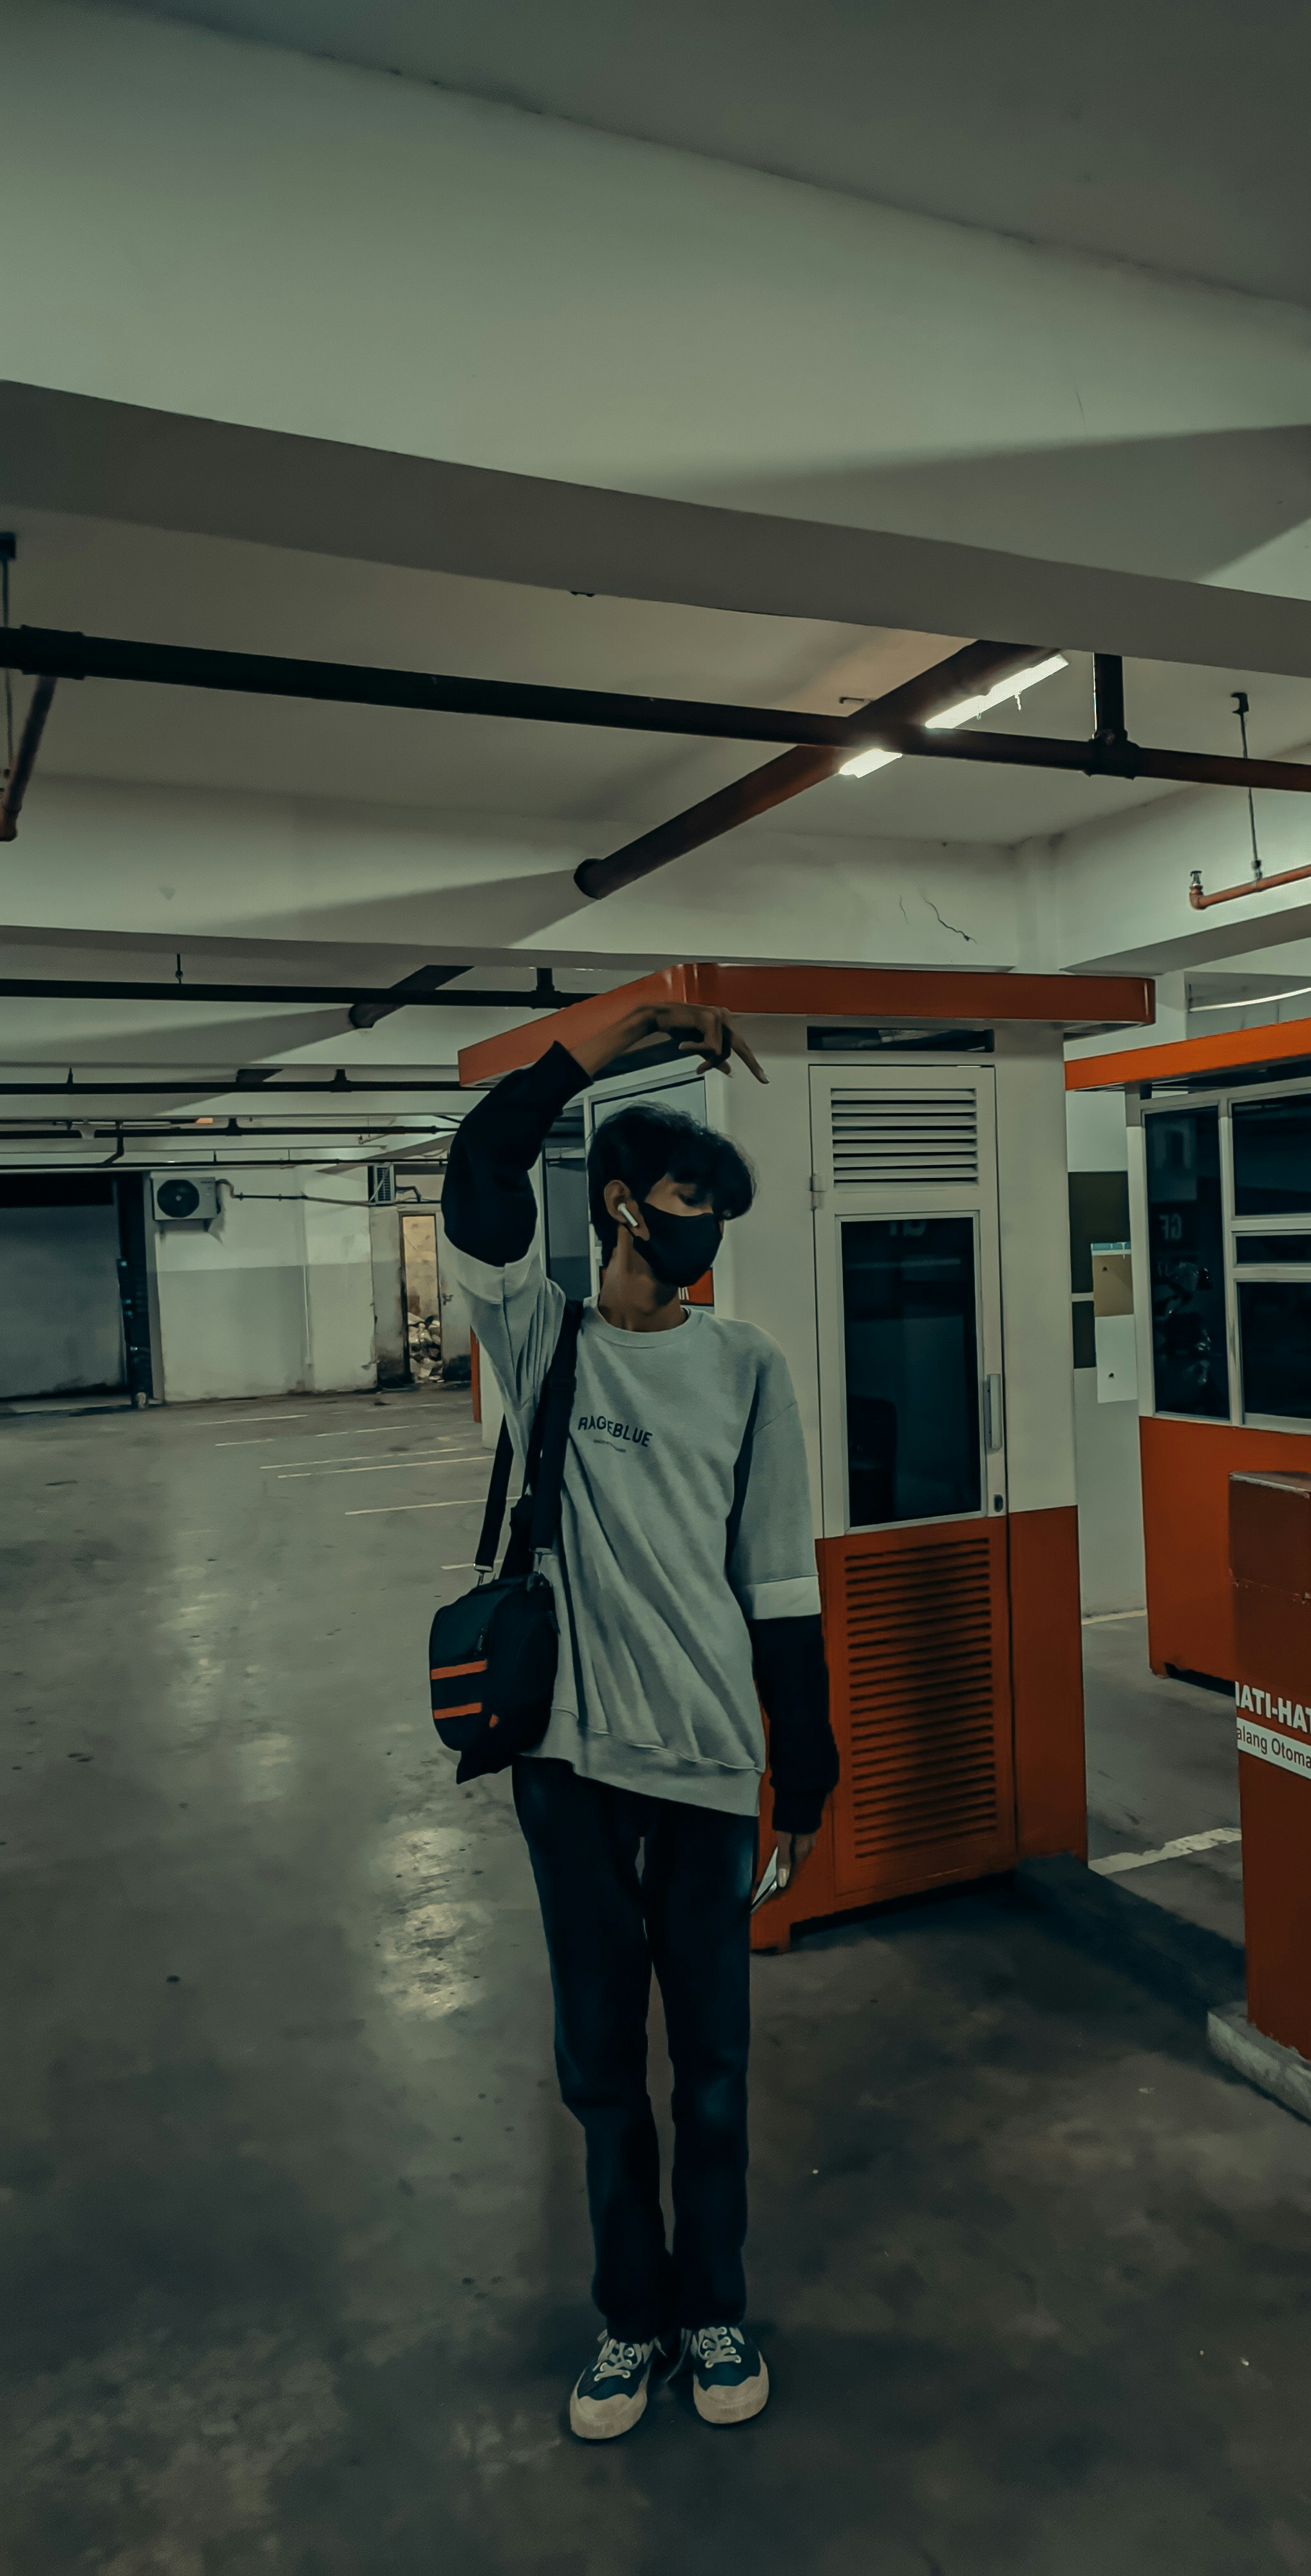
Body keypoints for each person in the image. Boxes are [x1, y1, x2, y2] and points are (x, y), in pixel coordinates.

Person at [440, 996, 838, 2440]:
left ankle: (714, 2303)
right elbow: (482, 1159)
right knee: (605, 2065)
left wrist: (805, 1762)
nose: (700, 1238)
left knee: (716, 2068)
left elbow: (780, 1575)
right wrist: (611, 1034)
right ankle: (631, 2321)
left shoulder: (748, 1368)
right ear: (621, 1206)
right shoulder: (541, 1336)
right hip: (569, 1766)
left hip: (708, 1766)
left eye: (714, 1217)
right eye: (683, 1205)